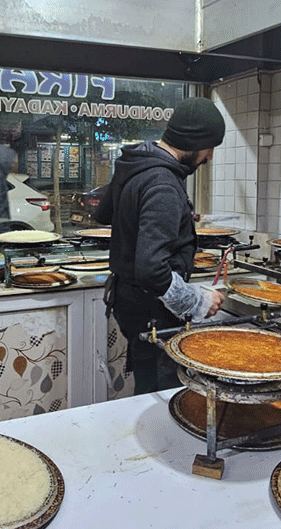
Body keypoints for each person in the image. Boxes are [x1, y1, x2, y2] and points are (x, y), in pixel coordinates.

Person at [96, 97, 226, 395]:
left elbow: (102, 213)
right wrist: (196, 301)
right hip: (151, 307)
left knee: (147, 380)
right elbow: (151, 269)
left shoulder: (136, 163)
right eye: (209, 148)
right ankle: (158, 442)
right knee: (163, 389)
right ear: (194, 142)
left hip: (127, 299)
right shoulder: (164, 183)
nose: (209, 158)